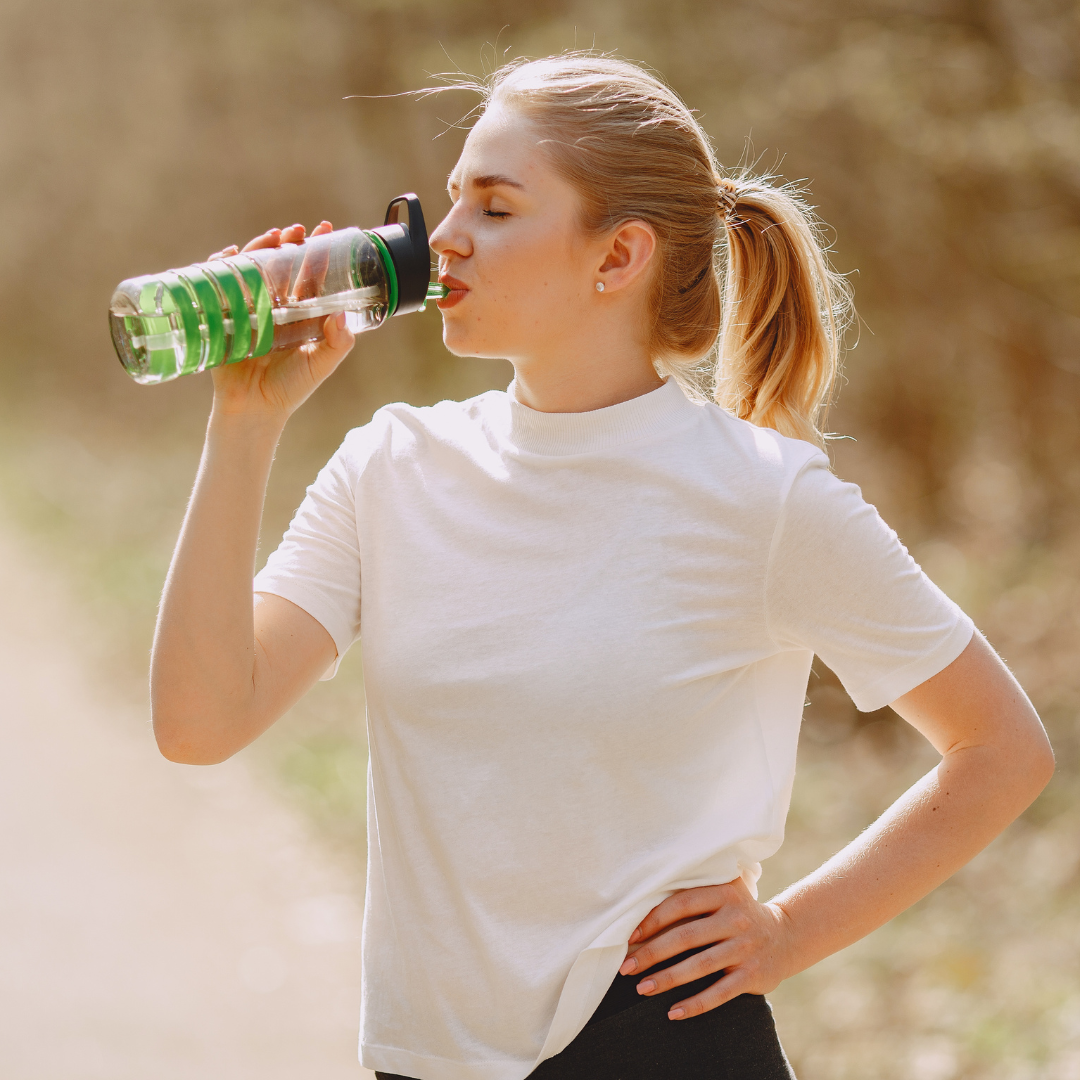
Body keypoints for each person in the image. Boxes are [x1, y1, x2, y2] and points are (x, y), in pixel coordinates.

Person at [150, 54, 1054, 1080]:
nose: (442, 239)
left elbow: (1001, 750)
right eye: (450, 200)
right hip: (425, 1059)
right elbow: (200, 722)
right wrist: (246, 422)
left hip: (660, 1050)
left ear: (617, 255)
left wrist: (790, 933)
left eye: (495, 208)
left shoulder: (762, 498)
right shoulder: (390, 467)